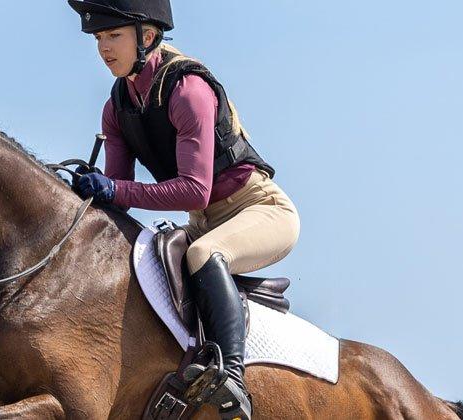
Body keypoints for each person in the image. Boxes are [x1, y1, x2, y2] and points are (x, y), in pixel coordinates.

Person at [65, 1, 301, 418]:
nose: (104, 48)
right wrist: (91, 194)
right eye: (99, 38)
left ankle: (233, 381)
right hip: (202, 221)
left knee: (203, 255)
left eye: (113, 36)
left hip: (259, 209)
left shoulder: (187, 89)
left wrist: (114, 188)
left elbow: (194, 189)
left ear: (148, 37)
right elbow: (119, 198)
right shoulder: (117, 106)